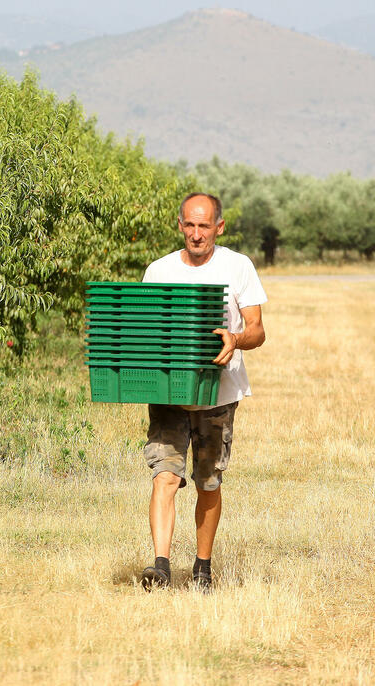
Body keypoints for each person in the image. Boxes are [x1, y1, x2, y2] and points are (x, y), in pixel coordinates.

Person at [139, 192, 267, 592]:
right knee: (164, 475)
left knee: (208, 481)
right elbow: (145, 329)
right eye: (190, 225)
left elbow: (258, 330)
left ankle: (202, 568)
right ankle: (161, 566)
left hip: (219, 392)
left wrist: (235, 339)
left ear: (219, 227)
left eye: (204, 226)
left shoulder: (238, 266)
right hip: (168, 392)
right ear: (180, 225)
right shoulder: (157, 271)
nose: (197, 234)